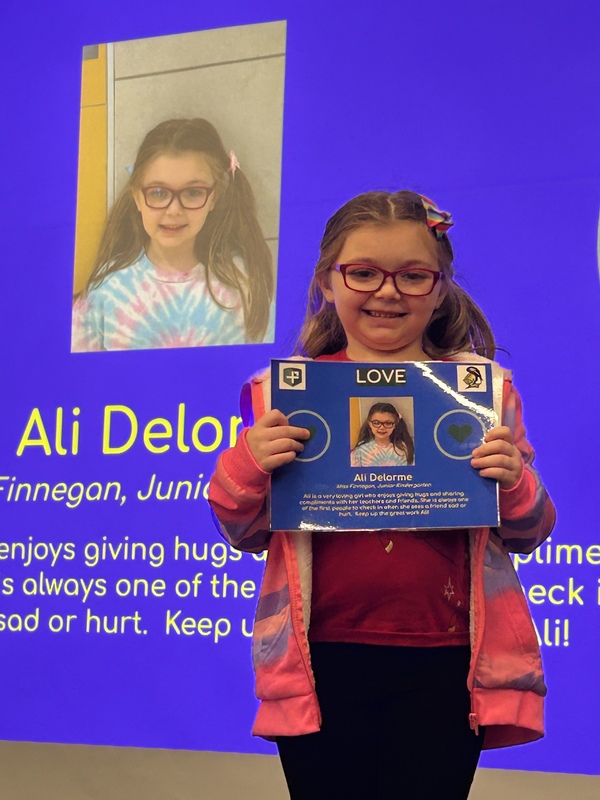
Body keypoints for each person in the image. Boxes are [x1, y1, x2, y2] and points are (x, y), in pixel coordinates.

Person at [208, 190, 555, 799]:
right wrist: (248, 463)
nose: (386, 291)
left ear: (440, 286)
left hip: (450, 661)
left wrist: (514, 482)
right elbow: (243, 530)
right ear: (328, 281)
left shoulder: (485, 393)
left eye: (413, 275)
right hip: (321, 661)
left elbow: (528, 534)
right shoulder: (282, 395)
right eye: (363, 272)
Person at [72, 118, 274, 351]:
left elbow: (268, 369)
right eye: (158, 193)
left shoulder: (242, 281)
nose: (174, 210)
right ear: (137, 197)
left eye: (192, 192)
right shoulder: (107, 288)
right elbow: (77, 378)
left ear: (214, 197)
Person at [351, 401, 414, 467]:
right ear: (369, 423)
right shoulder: (360, 451)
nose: (382, 427)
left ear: (395, 424)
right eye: (376, 423)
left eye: (388, 423)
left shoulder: (405, 449)